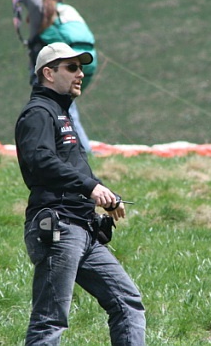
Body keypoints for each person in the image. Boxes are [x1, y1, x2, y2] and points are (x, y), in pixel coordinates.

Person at [15, 42, 146, 346]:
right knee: (50, 319)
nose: (81, 74)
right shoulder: (38, 113)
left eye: (81, 68)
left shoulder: (61, 113)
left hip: (83, 228)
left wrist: (104, 192)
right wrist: (91, 187)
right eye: (72, 67)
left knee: (127, 303)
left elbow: (73, 169)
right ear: (48, 73)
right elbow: (40, 160)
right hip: (58, 228)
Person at [11, 0, 97, 153]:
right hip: (85, 65)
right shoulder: (68, 11)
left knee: (53, 107)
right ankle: (76, 148)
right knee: (66, 106)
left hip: (55, 68)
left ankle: (79, 150)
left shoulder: (40, 7)